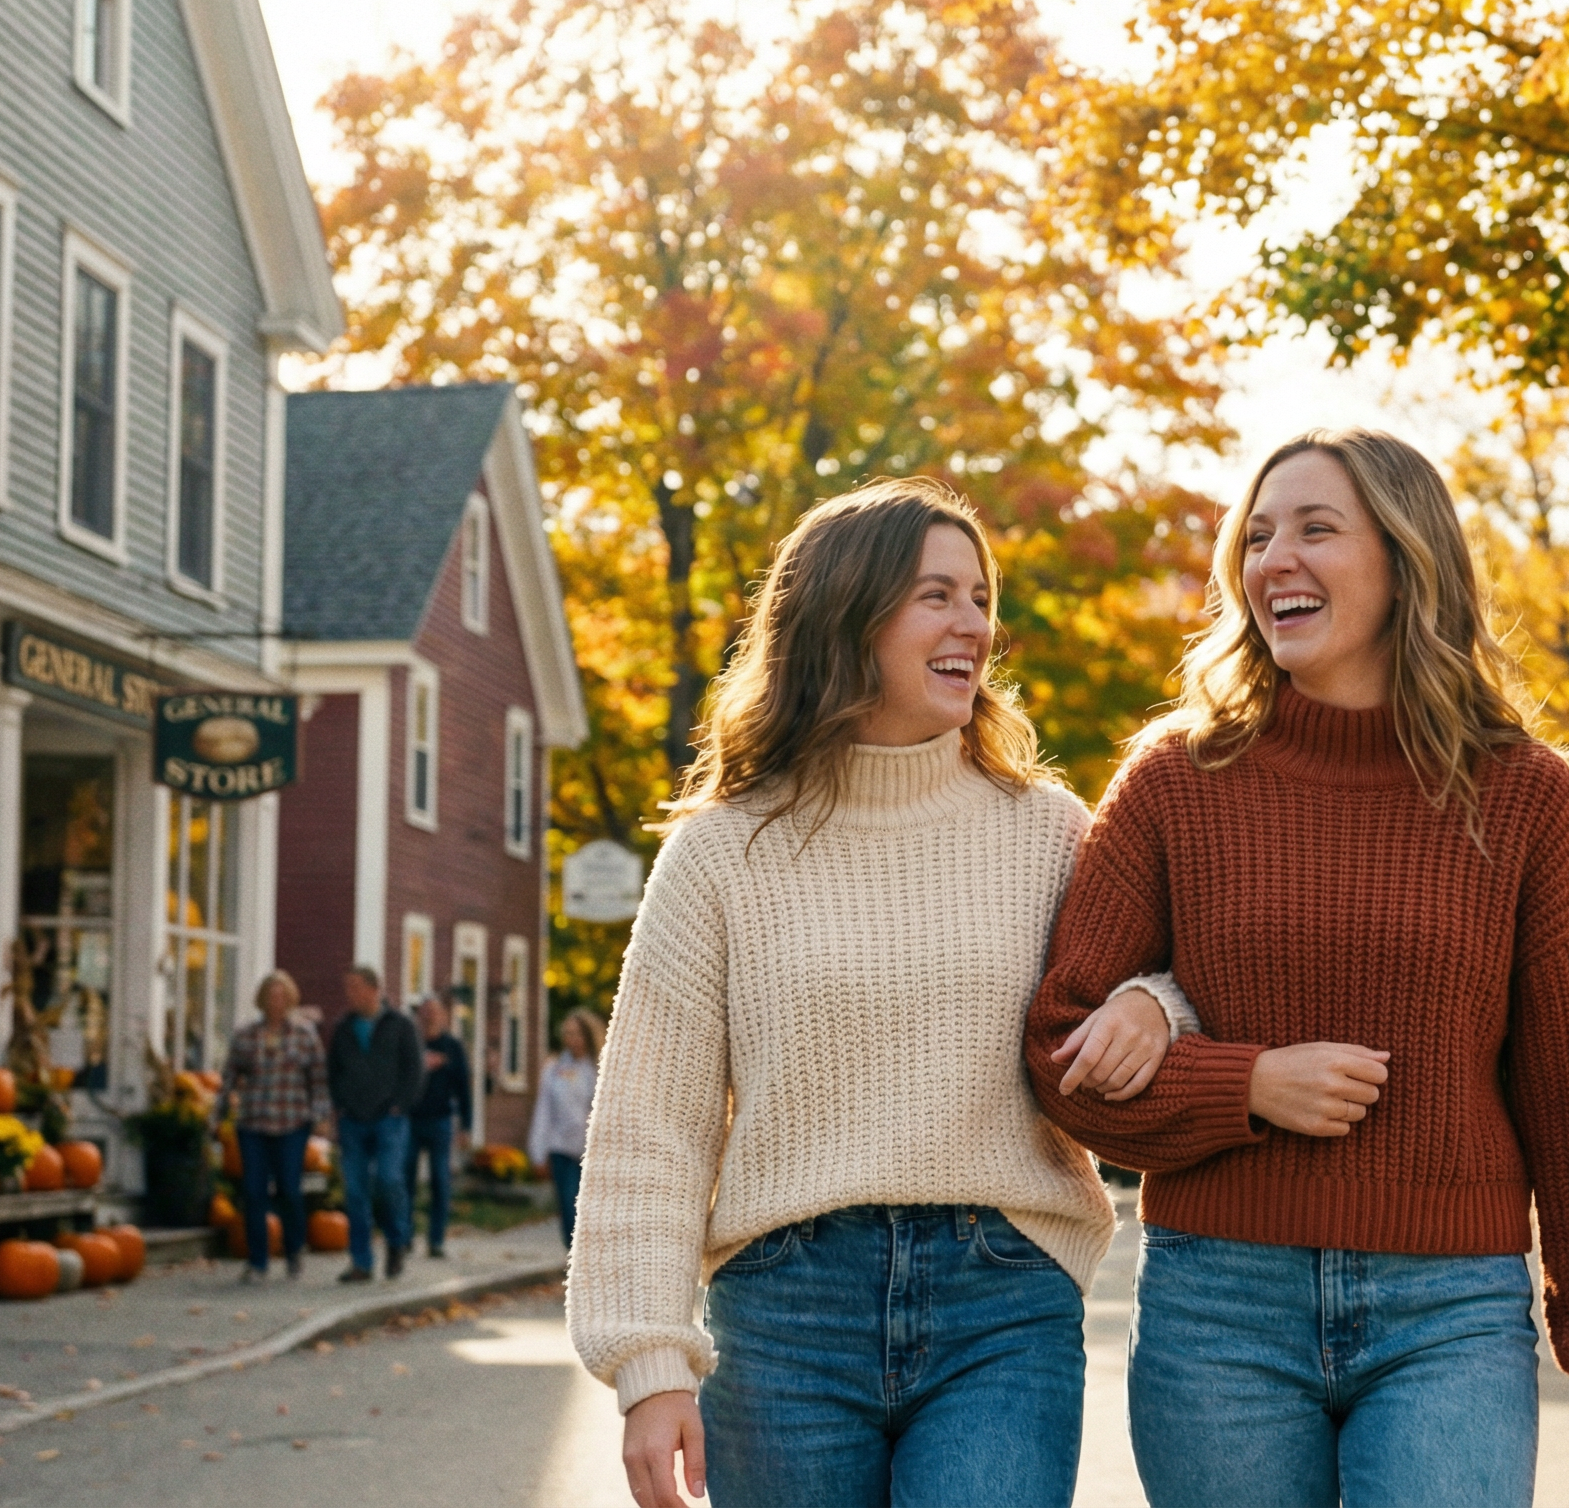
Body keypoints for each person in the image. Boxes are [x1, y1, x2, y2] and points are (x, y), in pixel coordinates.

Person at [1023, 429, 1569, 1508]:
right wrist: (1243, 1087)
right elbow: (1061, 1051)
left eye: (1316, 530)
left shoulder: (1520, 795)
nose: (1274, 558)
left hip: (1450, 1316)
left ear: (1404, 557)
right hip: (1219, 1312)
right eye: (1259, 535)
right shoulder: (1174, 781)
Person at [568, 479, 1177, 1508]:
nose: (973, 625)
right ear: (846, 617)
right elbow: (649, 1126)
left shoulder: (1048, 831)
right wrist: (648, 1364)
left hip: (1004, 1301)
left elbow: (1174, 979)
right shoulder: (722, 851)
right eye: (936, 595)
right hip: (783, 1312)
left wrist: (1155, 1005)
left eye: (980, 598)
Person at [216, 970, 329, 1284]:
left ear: (290, 999)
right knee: (253, 1191)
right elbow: (228, 1080)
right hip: (253, 1123)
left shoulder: (304, 1036)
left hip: (292, 1123)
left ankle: (293, 1250)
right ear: (262, 1000)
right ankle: (258, 1260)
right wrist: (218, 1116)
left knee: (289, 1190)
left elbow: (318, 1081)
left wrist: (320, 1117)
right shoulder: (246, 1036)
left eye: (281, 996)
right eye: (270, 996)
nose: (275, 1002)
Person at [325, 965, 423, 1284]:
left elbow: (414, 1068)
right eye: (347, 988)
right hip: (353, 1119)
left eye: (355, 988)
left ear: (373, 989)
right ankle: (361, 1262)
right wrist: (339, 1106)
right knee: (355, 1191)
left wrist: (401, 1104)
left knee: (388, 1179)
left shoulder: (400, 1025)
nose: (349, 995)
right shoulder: (344, 1029)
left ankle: (396, 1242)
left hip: (389, 1119)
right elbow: (334, 1071)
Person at [528, 1008, 601, 1249]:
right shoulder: (554, 1069)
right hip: (561, 1148)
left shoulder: (598, 1070)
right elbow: (544, 1111)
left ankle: (586, 1258)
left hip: (591, 1152)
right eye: (568, 1033)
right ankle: (572, 1257)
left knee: (588, 1210)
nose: (572, 1039)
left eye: (577, 1033)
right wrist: (538, 1151)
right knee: (568, 1206)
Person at [408, 995, 472, 1260]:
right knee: (404, 1179)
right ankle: (405, 1236)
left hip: (441, 1120)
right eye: (425, 1012)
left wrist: (466, 1126)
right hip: (410, 1120)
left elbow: (463, 1088)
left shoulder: (452, 1047)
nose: (430, 1016)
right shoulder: (411, 1044)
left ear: (443, 1016)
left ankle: (436, 1239)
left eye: (435, 1012)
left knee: (440, 1181)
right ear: (419, 1016)